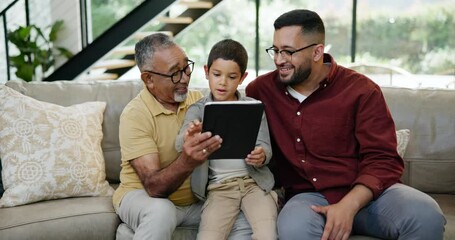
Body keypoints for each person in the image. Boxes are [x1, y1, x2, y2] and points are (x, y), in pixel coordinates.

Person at [246, 9, 446, 240]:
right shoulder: (260, 91)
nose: (279, 60)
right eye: (276, 50)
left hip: (369, 197)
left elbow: (383, 159)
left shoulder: (362, 90)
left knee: (425, 214)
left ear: (317, 51)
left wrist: (348, 206)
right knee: (293, 227)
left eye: (289, 52)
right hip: (308, 200)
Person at [112, 33, 252, 240]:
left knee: (244, 217)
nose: (185, 78)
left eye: (186, 67)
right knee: (161, 211)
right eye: (174, 74)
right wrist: (187, 161)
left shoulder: (199, 102)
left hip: (196, 201)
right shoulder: (135, 114)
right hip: (143, 197)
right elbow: (153, 187)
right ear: (149, 79)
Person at [175, 39, 277, 240]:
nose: (223, 82)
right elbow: (180, 144)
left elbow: (265, 146)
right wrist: (190, 137)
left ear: (242, 78)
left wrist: (261, 155)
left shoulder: (254, 107)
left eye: (232, 77)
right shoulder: (198, 109)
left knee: (267, 235)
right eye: (216, 74)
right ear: (206, 72)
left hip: (254, 185)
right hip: (219, 189)